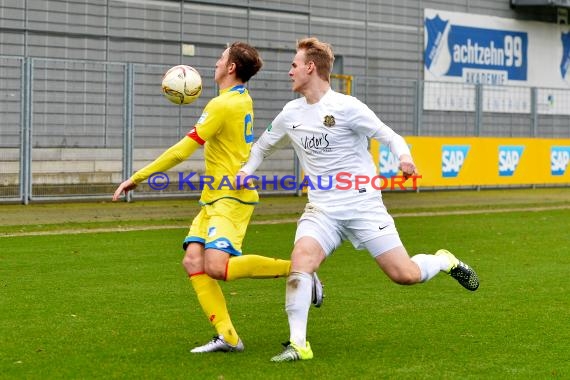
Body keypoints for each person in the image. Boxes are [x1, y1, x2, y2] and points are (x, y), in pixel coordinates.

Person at [237, 37, 479, 362]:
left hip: (364, 206)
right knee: (301, 261)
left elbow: (390, 136)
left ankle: (444, 261)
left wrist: (404, 159)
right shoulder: (290, 113)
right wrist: (247, 171)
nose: (289, 71)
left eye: (294, 65)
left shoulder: (347, 107)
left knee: (404, 274)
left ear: (311, 68)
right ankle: (299, 345)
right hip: (322, 209)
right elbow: (263, 146)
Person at [112, 41, 323, 354]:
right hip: (213, 197)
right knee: (193, 260)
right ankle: (228, 337)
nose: (215, 63)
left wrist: (137, 177)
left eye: (221, 59)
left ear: (231, 67)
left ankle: (300, 270)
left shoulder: (223, 105)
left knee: (217, 266)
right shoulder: (236, 99)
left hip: (231, 198)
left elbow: (182, 150)